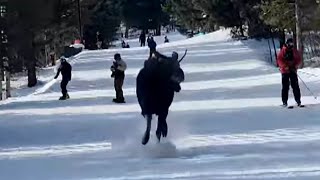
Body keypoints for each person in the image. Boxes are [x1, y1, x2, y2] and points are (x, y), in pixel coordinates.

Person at [277, 38, 302, 107]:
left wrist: (295, 65)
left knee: (295, 86)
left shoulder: (294, 50)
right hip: (285, 71)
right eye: (290, 44)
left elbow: (298, 59)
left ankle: (298, 101)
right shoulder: (283, 50)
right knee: (285, 87)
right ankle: (284, 102)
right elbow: (279, 60)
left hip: (293, 70)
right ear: (287, 43)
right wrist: (285, 66)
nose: (291, 45)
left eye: (292, 44)